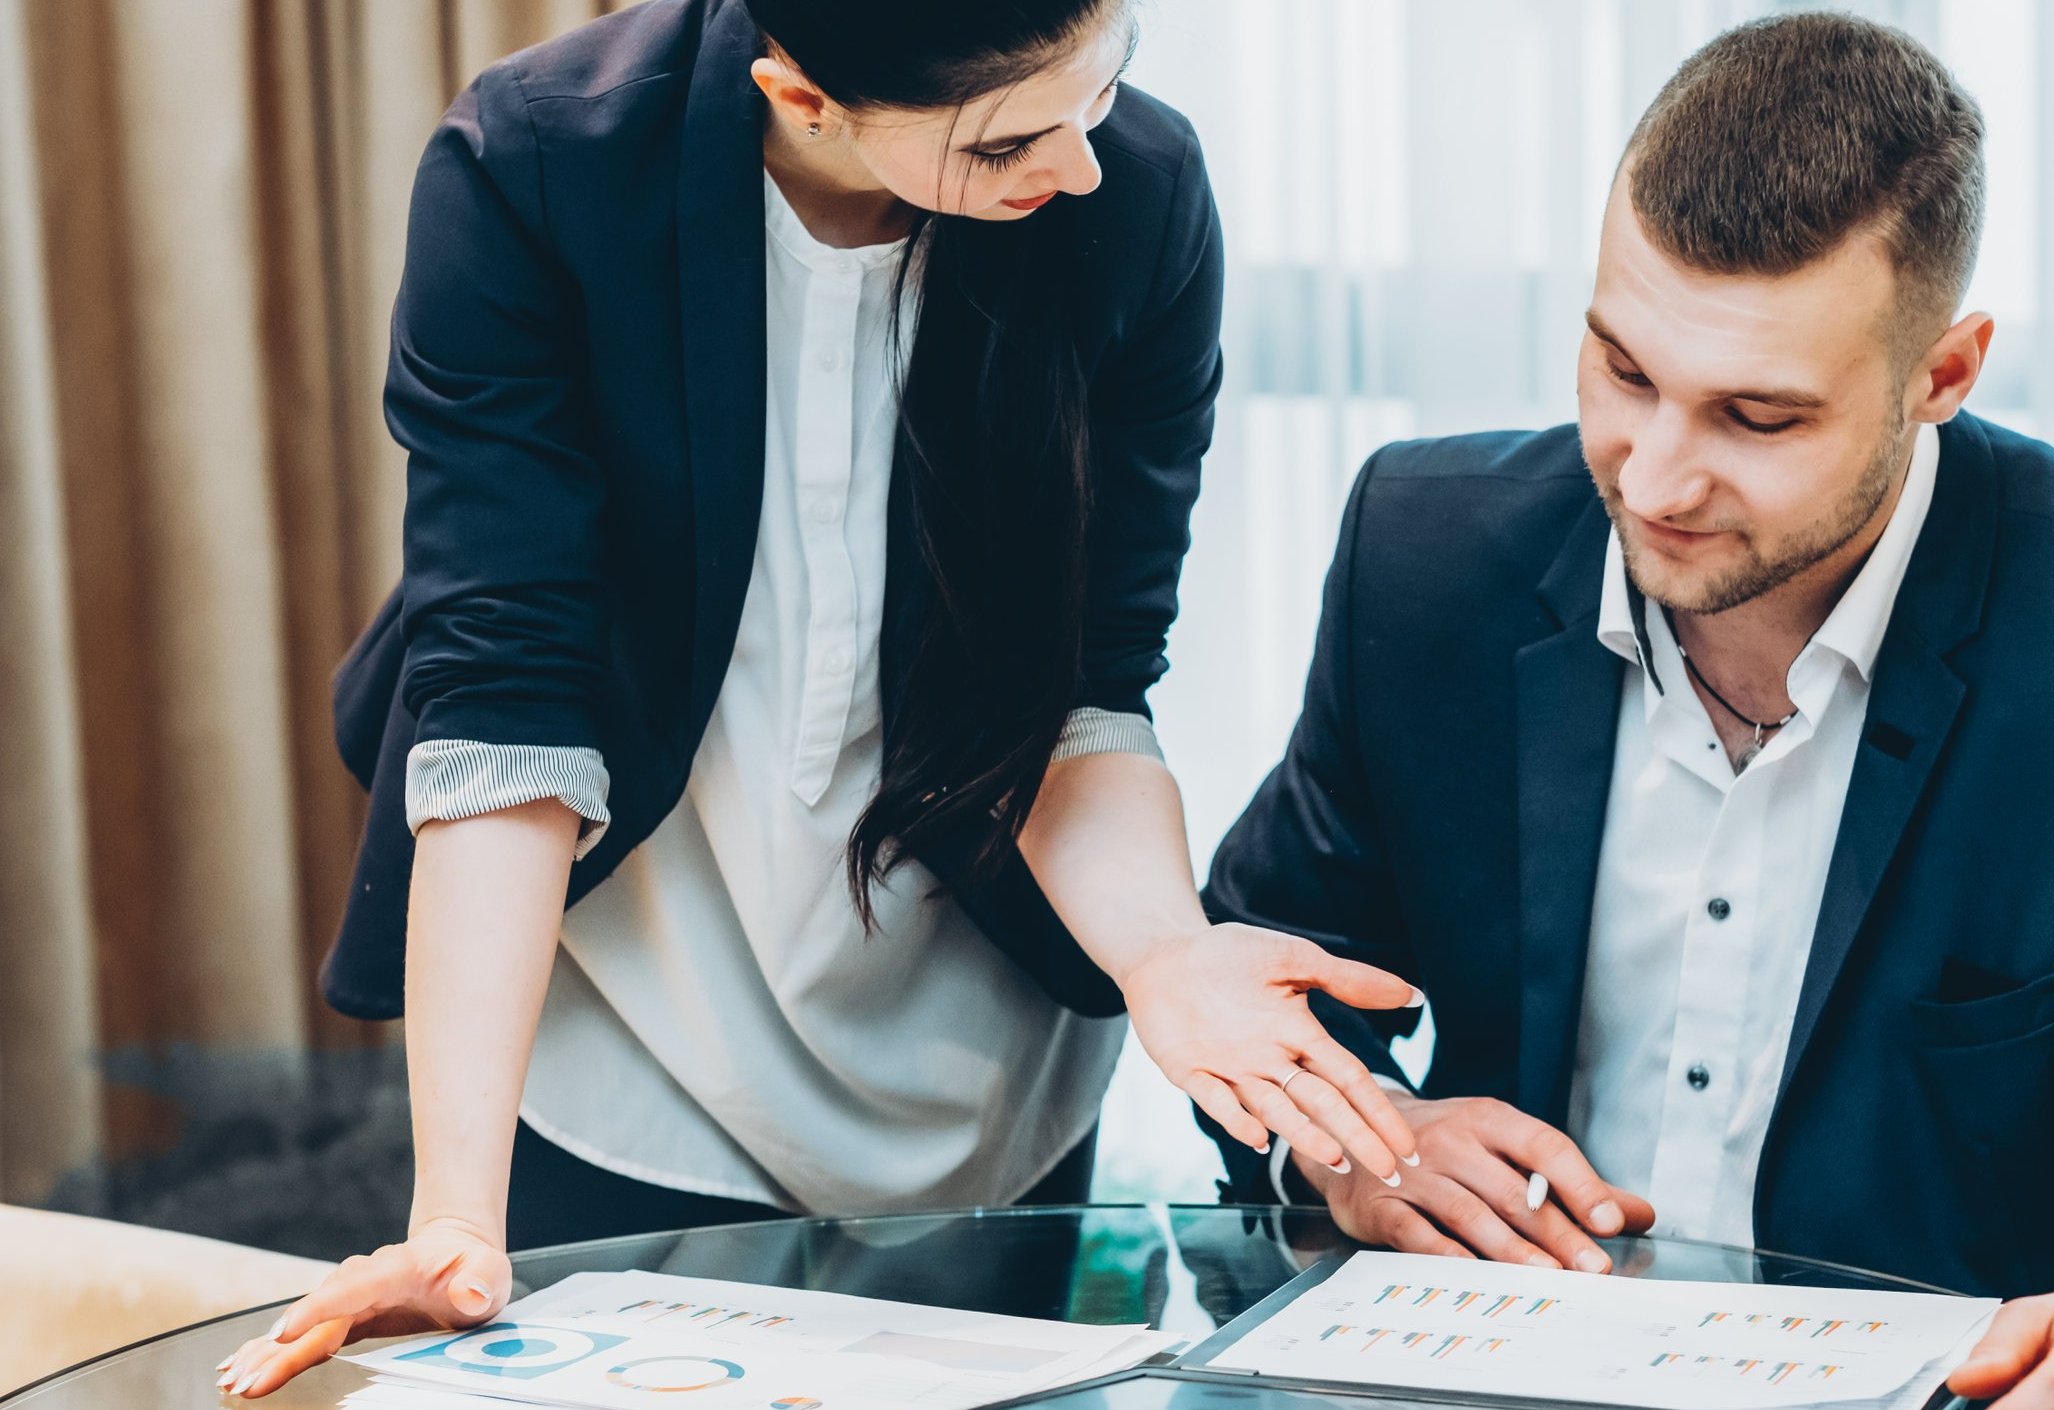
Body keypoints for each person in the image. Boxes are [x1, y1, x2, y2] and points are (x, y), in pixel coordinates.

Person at [1198, 14, 2054, 1410]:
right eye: (1623, 370)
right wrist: (1355, 1137)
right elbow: (1265, 968)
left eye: (1755, 419)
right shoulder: (1426, 554)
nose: (1652, 477)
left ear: (1942, 376)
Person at [219, 0, 1425, 1397]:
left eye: (1104, 87)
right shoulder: (541, 167)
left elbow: (1090, 682)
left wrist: (1165, 955)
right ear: (797, 94)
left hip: (982, 1020)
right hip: (629, 1007)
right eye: (1013, 139)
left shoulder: (1134, 196)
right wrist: (455, 1217)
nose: (1083, 162)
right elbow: (504, 704)